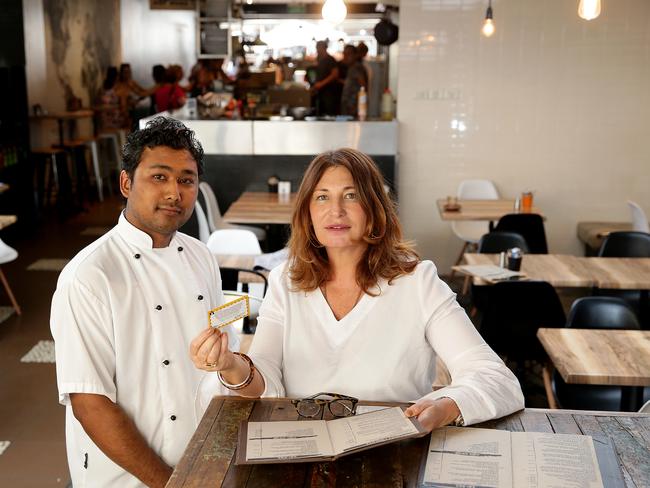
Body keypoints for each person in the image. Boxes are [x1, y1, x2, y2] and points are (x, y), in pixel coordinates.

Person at [190, 148, 524, 431]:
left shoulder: (418, 282)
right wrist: (232, 365)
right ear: (308, 213)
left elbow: (496, 379)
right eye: (322, 197)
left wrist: (448, 406)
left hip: (393, 452)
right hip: (303, 449)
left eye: (351, 196)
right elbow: (267, 381)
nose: (335, 211)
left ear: (375, 210)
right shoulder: (284, 282)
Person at [50, 117, 239, 487]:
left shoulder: (201, 256)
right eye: (159, 177)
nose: (174, 192)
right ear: (126, 183)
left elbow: (219, 357)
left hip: (201, 461)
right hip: (127, 476)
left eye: (186, 180)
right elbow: (91, 403)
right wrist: (171, 483)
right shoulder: (89, 276)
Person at [311, 40, 340, 116]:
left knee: (330, 114)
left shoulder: (330, 59)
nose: (317, 50)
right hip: (321, 93)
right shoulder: (320, 59)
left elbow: (335, 74)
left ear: (324, 48)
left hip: (329, 93)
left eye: (318, 47)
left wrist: (321, 84)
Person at [340, 44, 368, 117]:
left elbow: (363, 86)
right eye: (344, 54)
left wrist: (357, 105)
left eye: (348, 54)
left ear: (355, 55)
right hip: (348, 107)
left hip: (353, 108)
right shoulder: (351, 68)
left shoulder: (356, 67)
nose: (345, 57)